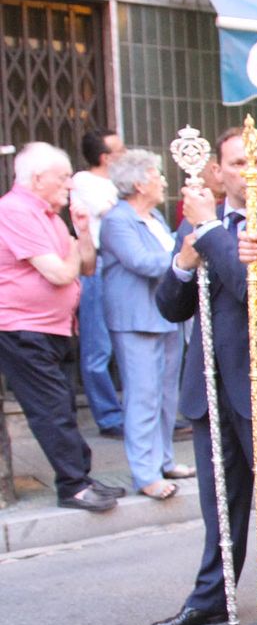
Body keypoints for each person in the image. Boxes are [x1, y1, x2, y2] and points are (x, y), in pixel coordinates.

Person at [148, 128, 257, 625]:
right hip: (210, 384)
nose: (249, 170)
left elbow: (249, 290)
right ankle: (212, 595)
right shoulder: (201, 226)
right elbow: (170, 306)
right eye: (238, 163)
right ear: (217, 171)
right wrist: (183, 263)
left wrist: (207, 231)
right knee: (220, 501)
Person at [0, 143, 118, 512]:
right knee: (51, 409)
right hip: (23, 328)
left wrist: (80, 234)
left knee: (63, 406)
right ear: (38, 179)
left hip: (56, 327)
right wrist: (70, 251)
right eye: (63, 177)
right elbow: (60, 273)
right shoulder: (14, 211)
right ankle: (73, 486)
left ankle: (80, 478)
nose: (70, 184)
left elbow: (86, 266)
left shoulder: (49, 215)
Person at [99, 149, 189, 501]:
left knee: (166, 396)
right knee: (142, 397)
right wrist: (184, 258)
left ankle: (164, 459)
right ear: (138, 183)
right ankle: (145, 473)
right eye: (156, 175)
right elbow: (142, 262)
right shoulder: (117, 220)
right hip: (136, 319)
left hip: (165, 315)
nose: (163, 181)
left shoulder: (155, 217)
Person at [72, 127, 126, 439]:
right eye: (120, 151)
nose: (125, 156)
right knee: (98, 346)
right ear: (105, 157)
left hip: (123, 262)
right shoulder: (84, 181)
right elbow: (112, 212)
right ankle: (108, 417)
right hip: (98, 262)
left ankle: (137, 412)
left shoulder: (118, 183)